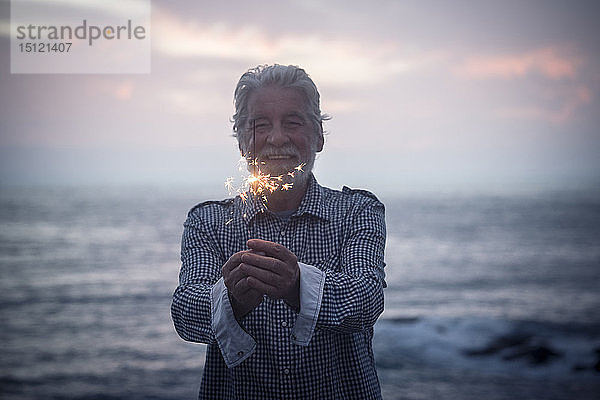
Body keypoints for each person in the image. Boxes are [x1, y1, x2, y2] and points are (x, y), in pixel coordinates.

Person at [171, 64, 386, 399]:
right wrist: (231, 299)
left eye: (293, 122)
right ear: (242, 142)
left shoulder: (356, 212)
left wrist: (298, 285)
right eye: (259, 125)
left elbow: (366, 299)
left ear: (319, 137)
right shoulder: (208, 222)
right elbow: (186, 312)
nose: (276, 138)